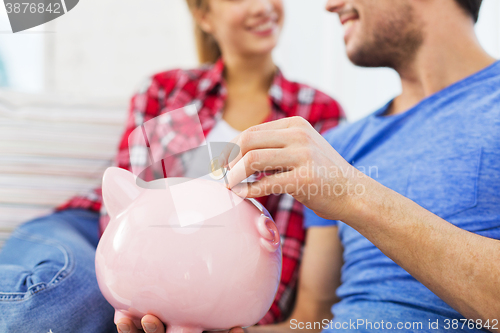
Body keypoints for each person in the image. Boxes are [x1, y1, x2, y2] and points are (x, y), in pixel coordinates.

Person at [0, 0, 344, 332]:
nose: (263, 6)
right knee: (45, 308)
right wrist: (143, 284)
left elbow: (295, 237)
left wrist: (222, 311)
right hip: (98, 233)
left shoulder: (317, 112)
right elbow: (125, 202)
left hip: (198, 276)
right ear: (204, 16)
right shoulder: (166, 89)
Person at [219, 0, 499, 332]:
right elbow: (309, 322)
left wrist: (353, 193)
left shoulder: (333, 167)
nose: (330, 5)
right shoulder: (337, 146)